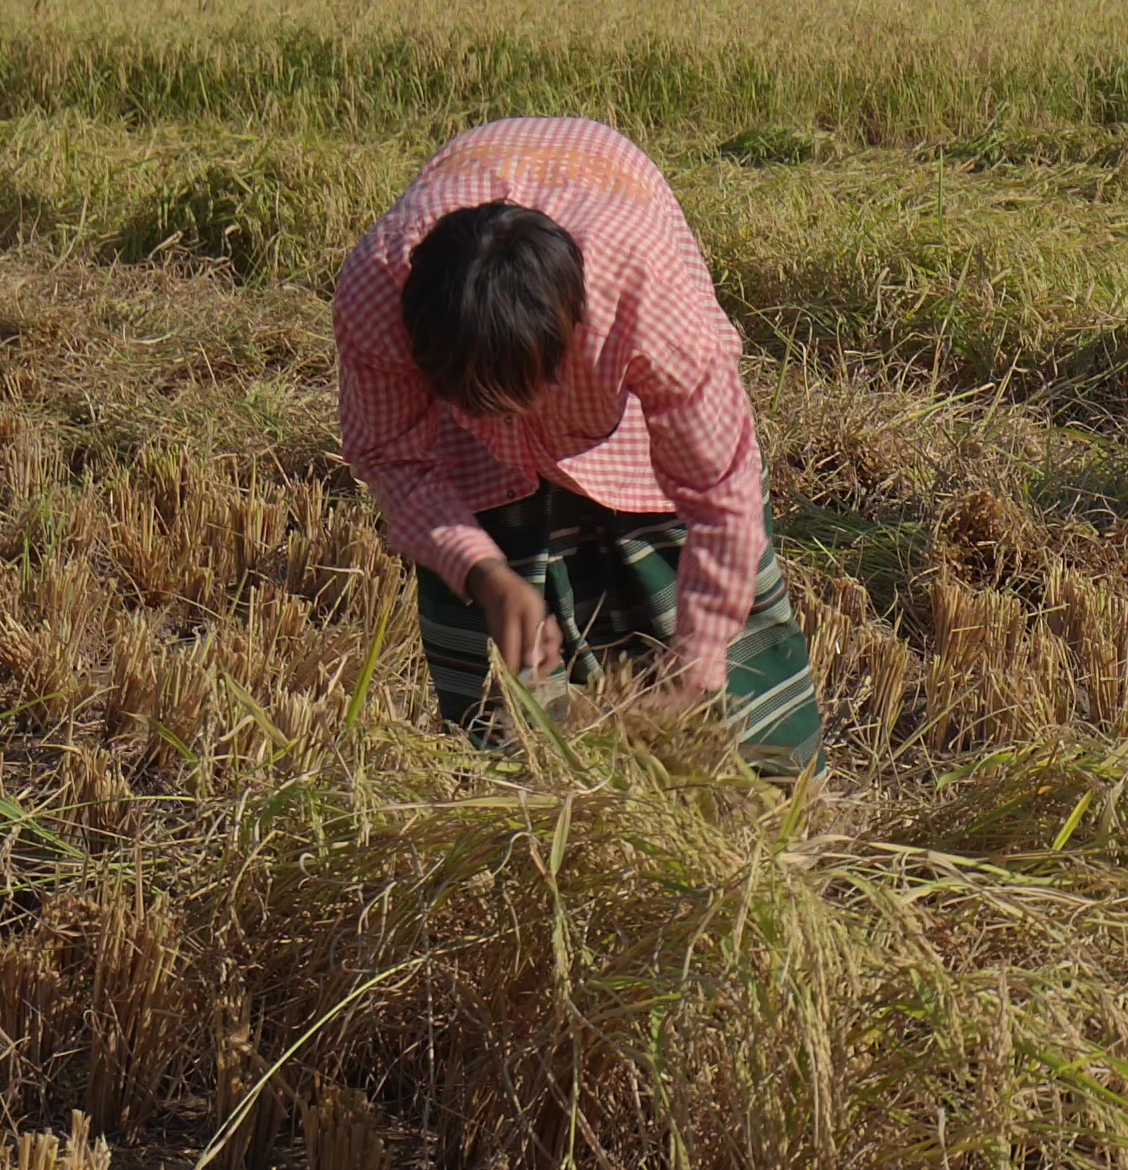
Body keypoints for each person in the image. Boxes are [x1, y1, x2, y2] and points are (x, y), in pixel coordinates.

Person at [332, 117, 821, 773]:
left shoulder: (645, 300)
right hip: (476, 415)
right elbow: (393, 457)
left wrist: (699, 669)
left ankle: (775, 797)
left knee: (735, 674)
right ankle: (516, 800)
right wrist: (485, 572)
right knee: (497, 688)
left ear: (573, 340)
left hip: (612, 320)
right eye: (483, 399)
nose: (515, 416)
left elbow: (720, 494)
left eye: (524, 391)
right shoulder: (377, 298)